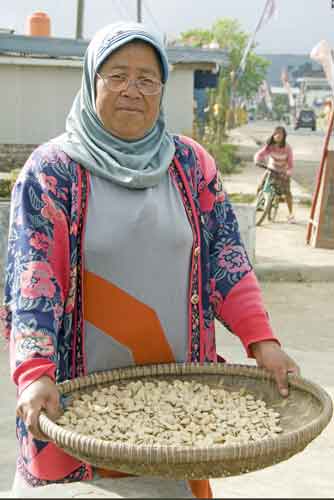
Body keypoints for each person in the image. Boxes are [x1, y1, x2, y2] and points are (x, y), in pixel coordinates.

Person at [1, 22, 300, 499]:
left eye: (147, 79)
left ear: (162, 88)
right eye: (117, 75)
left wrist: (262, 341)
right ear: (90, 79)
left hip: (180, 405)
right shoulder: (52, 172)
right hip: (76, 409)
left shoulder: (191, 164)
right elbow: (32, 282)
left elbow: (228, 262)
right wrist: (35, 373)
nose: (132, 91)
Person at [254, 126, 296, 223]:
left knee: (287, 193)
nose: (277, 135)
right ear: (273, 135)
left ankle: (291, 214)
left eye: (280, 133)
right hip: (271, 169)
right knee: (260, 187)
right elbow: (260, 154)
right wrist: (257, 160)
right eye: (276, 133)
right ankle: (260, 204)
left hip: (283, 172)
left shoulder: (287, 148)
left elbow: (290, 164)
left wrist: (288, 173)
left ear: (284, 136)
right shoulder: (270, 146)